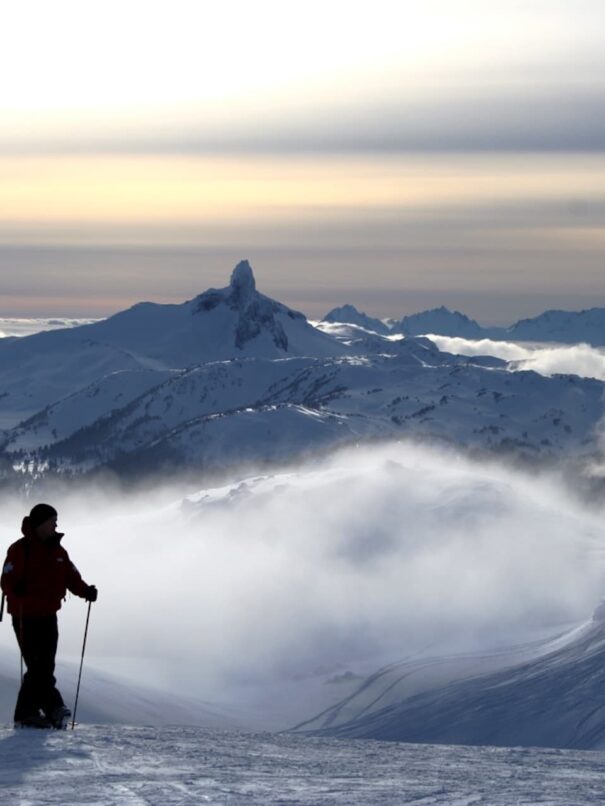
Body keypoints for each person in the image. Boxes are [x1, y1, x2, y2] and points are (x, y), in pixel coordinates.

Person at [0, 503, 97, 729]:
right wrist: (16, 589)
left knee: (44, 666)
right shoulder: (20, 549)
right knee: (38, 667)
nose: (56, 524)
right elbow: (5, 579)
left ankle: (30, 713)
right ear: (40, 524)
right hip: (25, 616)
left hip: (48, 616)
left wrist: (86, 591)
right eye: (52, 520)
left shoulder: (58, 552)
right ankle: (53, 709)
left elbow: (71, 578)